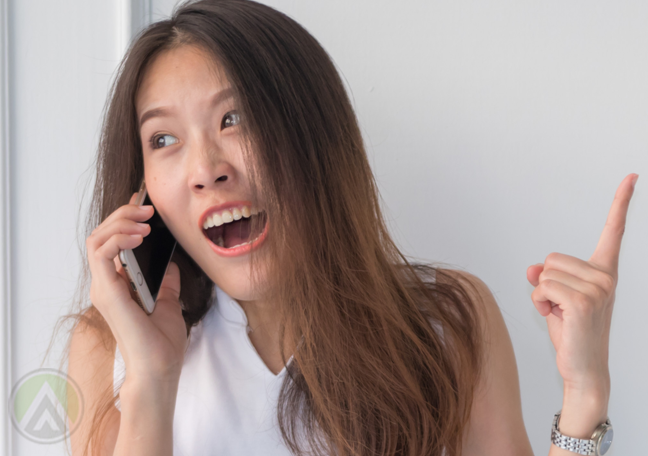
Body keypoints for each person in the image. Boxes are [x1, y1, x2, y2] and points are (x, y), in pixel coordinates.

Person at [52, 1, 637, 455]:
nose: (206, 169)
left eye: (235, 118)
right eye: (164, 139)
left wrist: (585, 395)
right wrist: (153, 378)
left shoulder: (446, 321)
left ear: (314, 136)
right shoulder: (108, 347)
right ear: (142, 188)